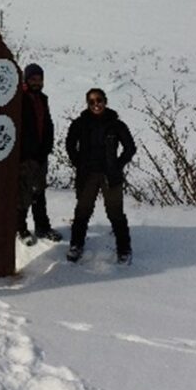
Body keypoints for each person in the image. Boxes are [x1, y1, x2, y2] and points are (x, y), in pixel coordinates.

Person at [64, 88, 136, 264]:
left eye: (99, 100)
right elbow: (70, 144)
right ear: (88, 104)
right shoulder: (80, 124)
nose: (96, 105)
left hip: (110, 176)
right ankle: (76, 245)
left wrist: (117, 166)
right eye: (92, 102)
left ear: (105, 101)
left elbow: (130, 148)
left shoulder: (116, 124)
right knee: (82, 211)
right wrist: (78, 163)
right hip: (87, 175)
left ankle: (124, 248)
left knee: (115, 212)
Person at [17, 63, 61, 245]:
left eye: (39, 79)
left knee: (39, 193)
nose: (37, 82)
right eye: (33, 79)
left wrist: (47, 148)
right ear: (26, 79)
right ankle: (20, 229)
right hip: (25, 157)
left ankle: (42, 227)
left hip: (41, 155)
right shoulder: (18, 99)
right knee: (23, 195)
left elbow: (47, 126)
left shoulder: (42, 99)